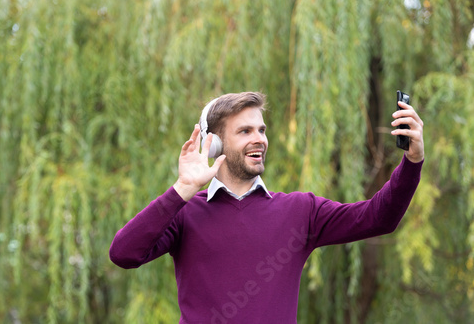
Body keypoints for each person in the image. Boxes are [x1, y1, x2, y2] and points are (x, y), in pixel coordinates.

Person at [109, 91, 424, 324]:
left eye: (261, 130)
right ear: (214, 144)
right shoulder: (184, 213)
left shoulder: (301, 210)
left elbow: (378, 218)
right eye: (245, 131)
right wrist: (182, 190)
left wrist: (412, 162)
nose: (259, 139)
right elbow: (123, 253)